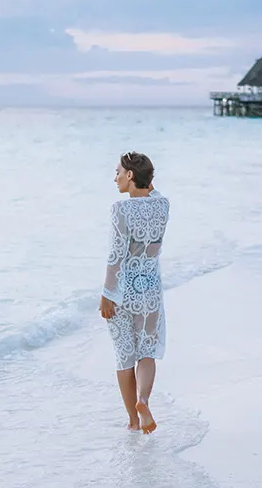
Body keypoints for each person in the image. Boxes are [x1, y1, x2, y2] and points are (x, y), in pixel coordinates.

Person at [99, 151, 169, 434]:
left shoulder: (120, 209)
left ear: (130, 175)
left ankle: (132, 421)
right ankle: (144, 401)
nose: (114, 178)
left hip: (123, 291)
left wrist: (107, 294)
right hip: (150, 290)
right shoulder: (163, 205)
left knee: (124, 356)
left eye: (118, 172)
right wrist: (144, 178)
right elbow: (153, 190)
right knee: (147, 352)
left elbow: (116, 256)